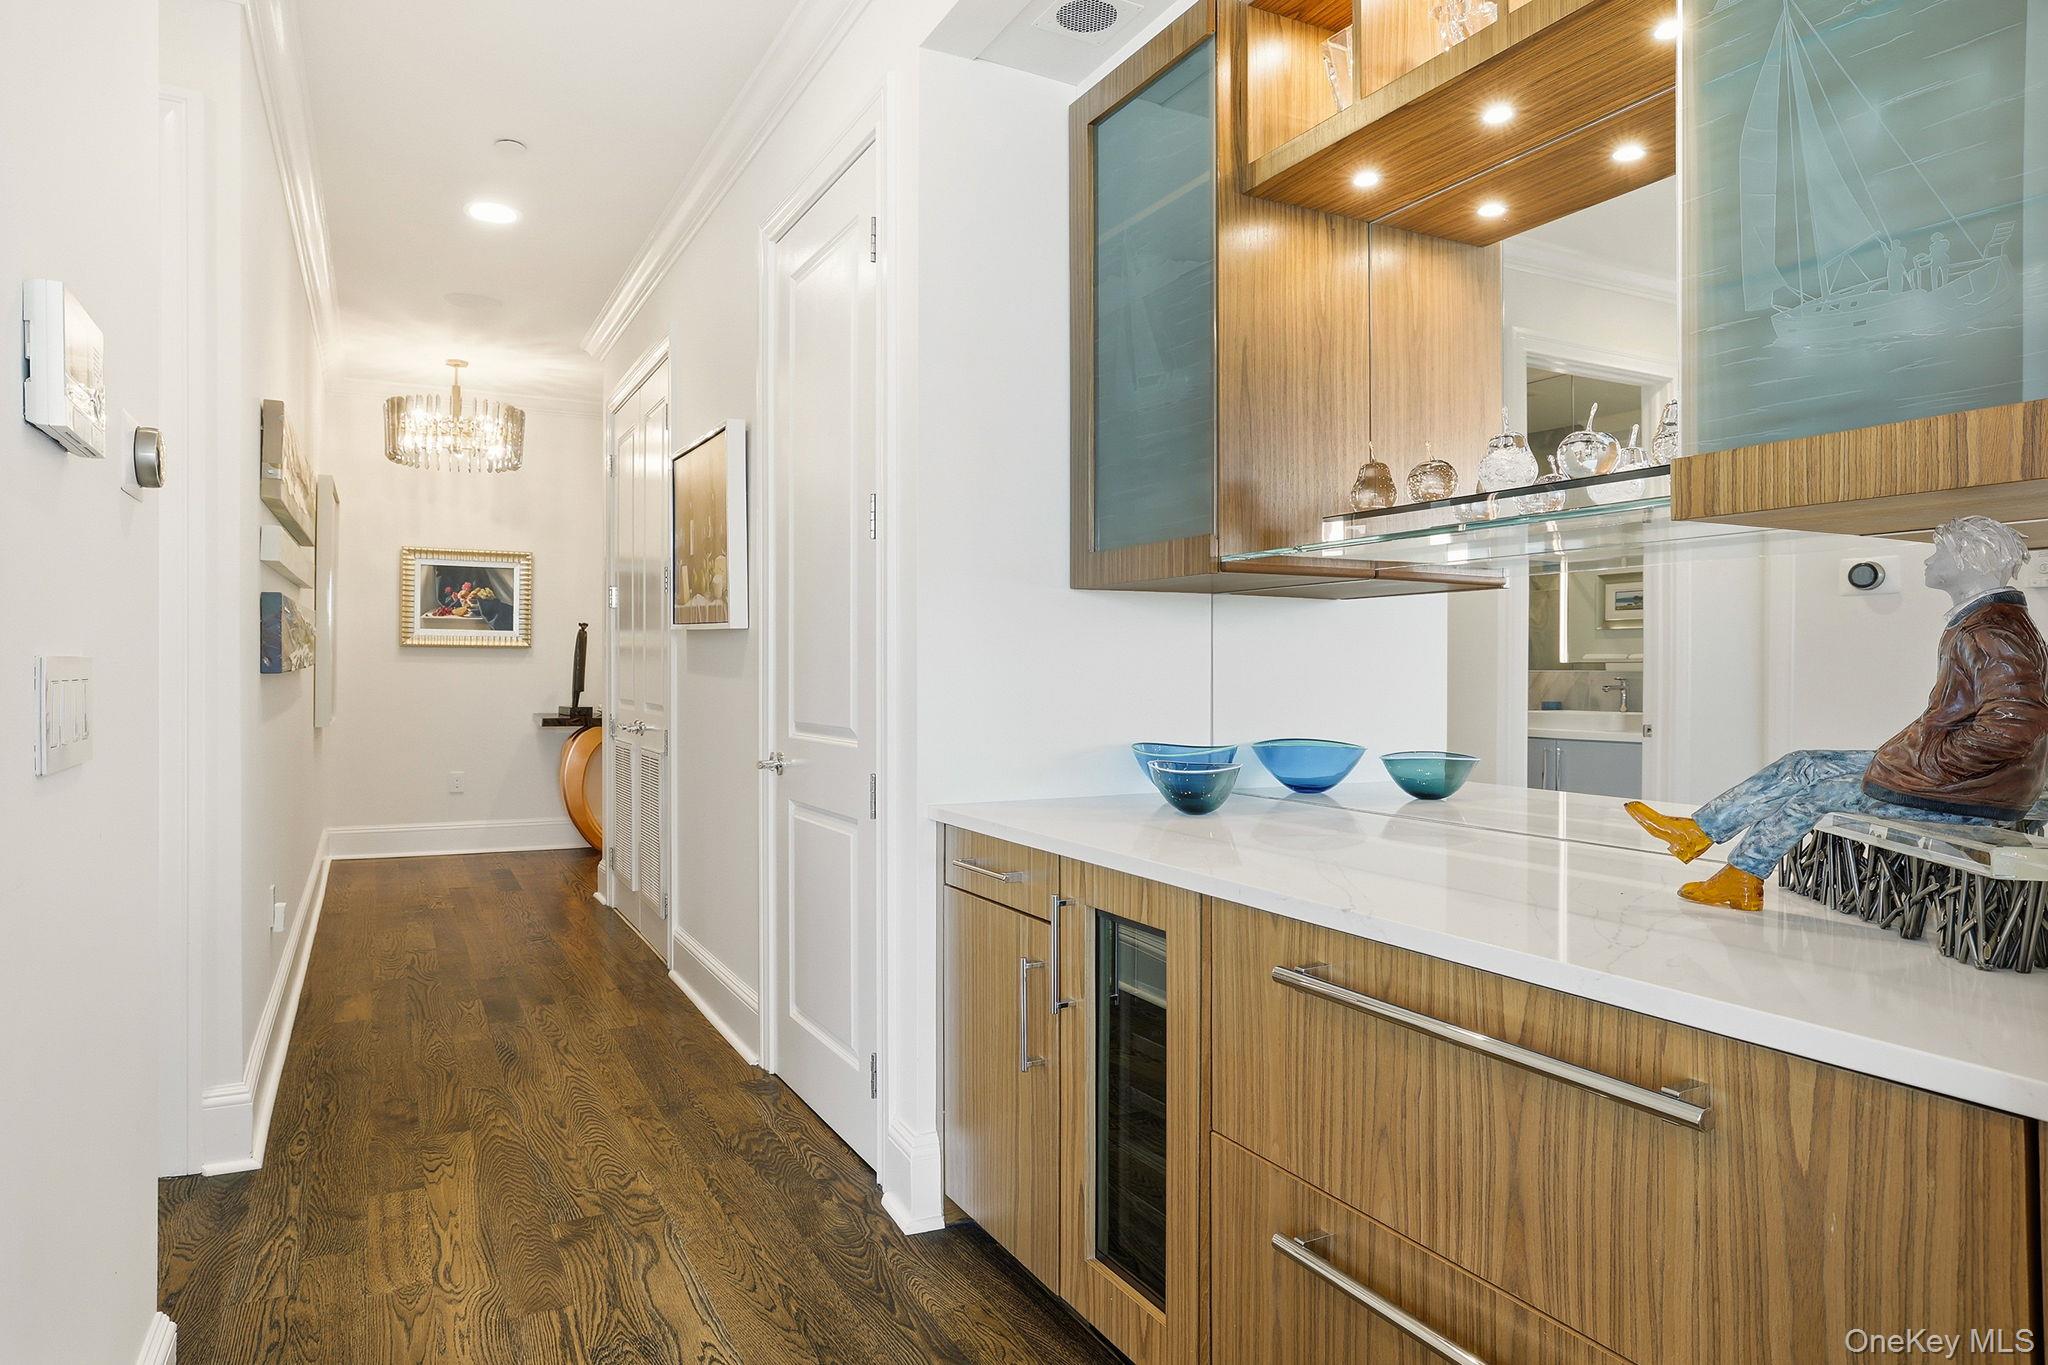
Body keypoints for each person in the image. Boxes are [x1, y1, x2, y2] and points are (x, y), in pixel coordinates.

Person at [1626, 516, 2048, 910]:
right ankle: (1697, 832)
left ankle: (1739, 879)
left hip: (1975, 792)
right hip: (1960, 778)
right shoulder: (1982, 621)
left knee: (1820, 794)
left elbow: (2014, 727)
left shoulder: (1992, 631)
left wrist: (1934, 765)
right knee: (1804, 764)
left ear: (1966, 562)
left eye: (1939, 551)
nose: (1929, 558)